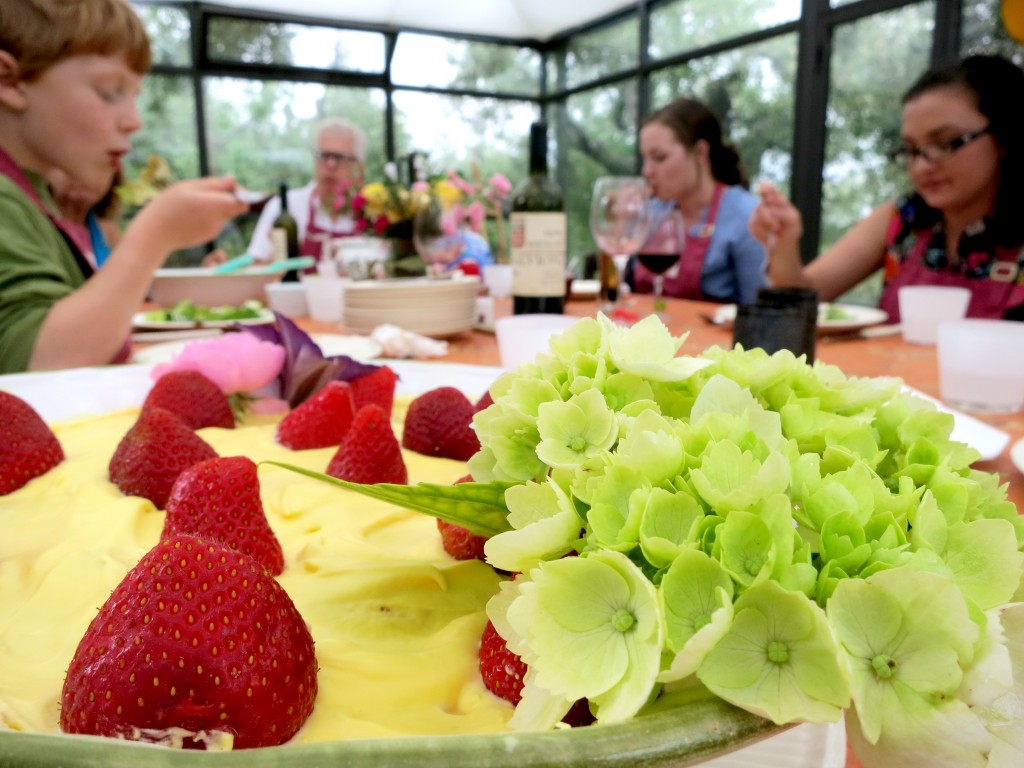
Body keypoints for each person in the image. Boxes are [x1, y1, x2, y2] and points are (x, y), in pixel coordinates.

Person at [0, 0, 248, 374]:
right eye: (108, 92)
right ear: (10, 80)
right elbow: (44, 361)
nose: (134, 122)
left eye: (134, 96)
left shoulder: (32, 198)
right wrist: (155, 234)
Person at [749, 54, 1024, 322]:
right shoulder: (902, 220)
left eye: (945, 143)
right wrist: (784, 244)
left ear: (1003, 137)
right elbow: (804, 296)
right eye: (911, 150)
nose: (920, 167)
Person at [631, 97, 767, 305]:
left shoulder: (748, 216)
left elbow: (759, 314)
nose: (646, 171)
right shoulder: (652, 212)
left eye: (659, 158)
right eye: (645, 159)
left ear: (700, 152)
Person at [247, 117, 367, 263]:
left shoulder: (375, 213)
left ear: (359, 168)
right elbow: (255, 268)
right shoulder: (284, 207)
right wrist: (276, 259)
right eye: (324, 155)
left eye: (340, 157)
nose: (330, 165)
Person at [47, 167, 123, 267]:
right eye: (71, 166)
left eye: (97, 170)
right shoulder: (34, 222)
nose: (84, 177)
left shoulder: (105, 227)